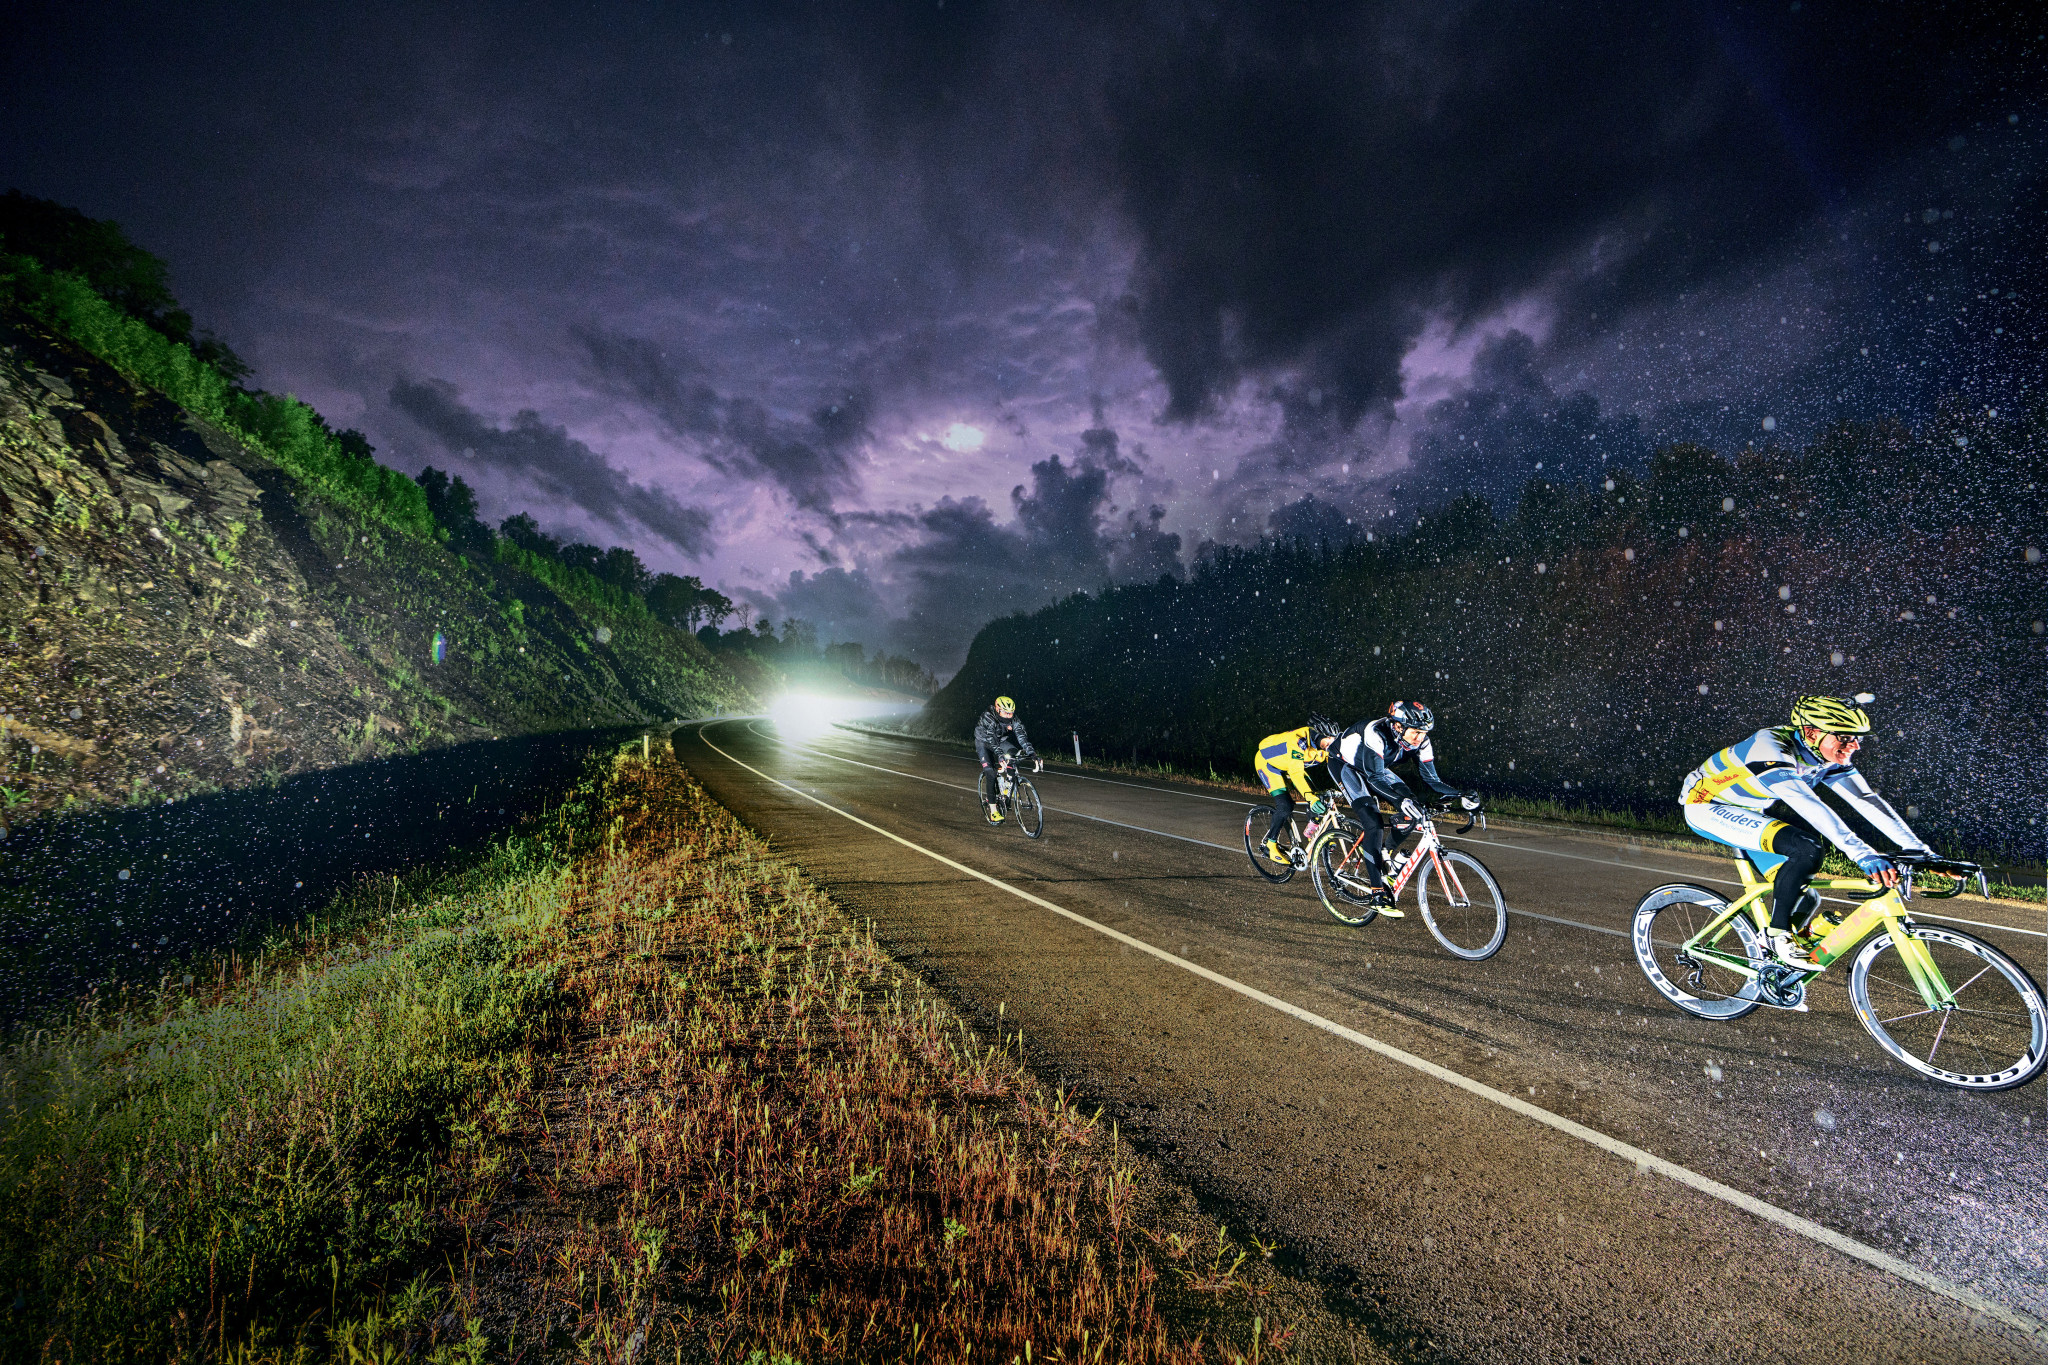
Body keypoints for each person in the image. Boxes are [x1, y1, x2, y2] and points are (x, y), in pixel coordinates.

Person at [1681, 695, 1929, 969]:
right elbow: (1807, 804)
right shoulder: (1769, 747)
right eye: (1845, 737)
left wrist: (1920, 851)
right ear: (1811, 732)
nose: (1855, 746)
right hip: (1707, 807)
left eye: (1857, 738)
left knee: (1803, 896)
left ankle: (1775, 966)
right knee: (1806, 848)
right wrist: (1863, 855)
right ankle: (1776, 936)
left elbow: (1865, 799)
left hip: (1748, 811)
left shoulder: (1824, 754)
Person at [1327, 700, 1479, 908]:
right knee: (1373, 823)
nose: (1420, 738)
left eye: (1424, 733)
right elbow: (1374, 778)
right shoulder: (1375, 732)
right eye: (1416, 732)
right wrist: (1399, 800)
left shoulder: (1421, 741)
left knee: (1414, 810)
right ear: (1398, 726)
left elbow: (1432, 780)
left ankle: (1385, 852)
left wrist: (1461, 795)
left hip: (1376, 768)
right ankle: (1377, 893)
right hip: (1345, 765)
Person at [1253, 713, 1342, 865]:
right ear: (1318, 735)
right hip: (1268, 764)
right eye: (1328, 739)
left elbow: (1339, 767)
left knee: (1318, 795)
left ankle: (1313, 831)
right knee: (1285, 806)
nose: (1331, 744)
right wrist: (1311, 798)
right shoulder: (1298, 742)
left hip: (1290, 764)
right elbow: (1296, 775)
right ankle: (1270, 845)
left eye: (1333, 739)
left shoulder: (1327, 746)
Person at [975, 695, 1039, 822]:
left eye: (1011, 713)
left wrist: (1032, 753)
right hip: (984, 742)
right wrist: (1000, 756)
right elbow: (991, 739)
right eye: (1005, 713)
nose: (1009, 716)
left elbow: (1021, 736)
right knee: (990, 773)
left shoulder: (1013, 719)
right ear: (998, 710)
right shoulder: (988, 716)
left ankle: (1007, 785)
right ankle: (993, 811)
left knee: (1015, 755)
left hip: (1000, 741)